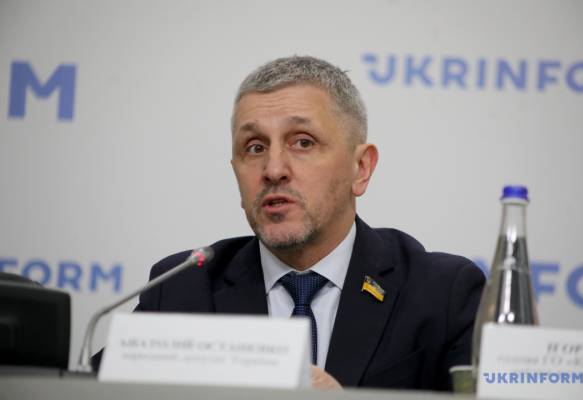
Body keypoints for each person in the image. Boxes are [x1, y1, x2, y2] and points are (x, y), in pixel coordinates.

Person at [96, 56, 485, 391]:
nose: (273, 169)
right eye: (255, 148)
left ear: (360, 168)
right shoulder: (181, 289)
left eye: (303, 142)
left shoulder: (441, 294)